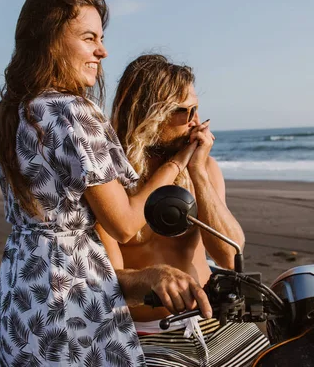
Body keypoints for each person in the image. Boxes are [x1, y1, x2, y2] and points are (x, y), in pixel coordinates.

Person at [0, 0, 211, 367]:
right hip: (69, 300)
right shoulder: (70, 111)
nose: (102, 51)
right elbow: (123, 224)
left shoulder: (17, 113)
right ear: (52, 41)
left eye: (100, 39)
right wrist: (177, 164)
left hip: (20, 291)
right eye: (89, 38)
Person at [97, 54, 270, 366]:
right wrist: (152, 276)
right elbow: (108, 279)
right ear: (150, 114)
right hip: (150, 335)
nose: (196, 120)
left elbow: (230, 256)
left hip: (218, 321)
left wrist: (199, 173)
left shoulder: (203, 169)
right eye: (184, 111)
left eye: (196, 109)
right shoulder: (110, 181)